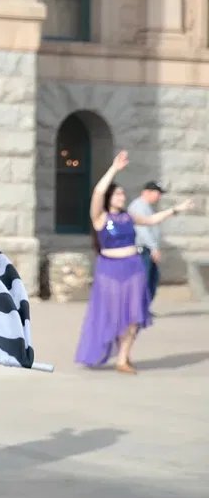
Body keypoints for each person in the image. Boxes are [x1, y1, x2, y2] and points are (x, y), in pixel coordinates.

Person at [76, 153, 191, 372]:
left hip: (133, 267)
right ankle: (115, 351)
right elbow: (98, 191)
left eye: (123, 194)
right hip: (109, 270)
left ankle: (123, 358)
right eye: (118, 194)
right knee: (113, 314)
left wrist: (176, 209)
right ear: (110, 197)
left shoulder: (129, 216)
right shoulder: (100, 217)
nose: (122, 197)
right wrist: (114, 168)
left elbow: (152, 220)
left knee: (133, 315)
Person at [127, 181, 168, 306]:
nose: (159, 196)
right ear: (147, 192)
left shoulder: (146, 206)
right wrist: (153, 247)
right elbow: (142, 229)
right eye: (157, 193)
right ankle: (137, 309)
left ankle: (144, 309)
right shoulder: (139, 206)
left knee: (152, 279)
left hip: (147, 249)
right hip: (142, 249)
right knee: (142, 280)